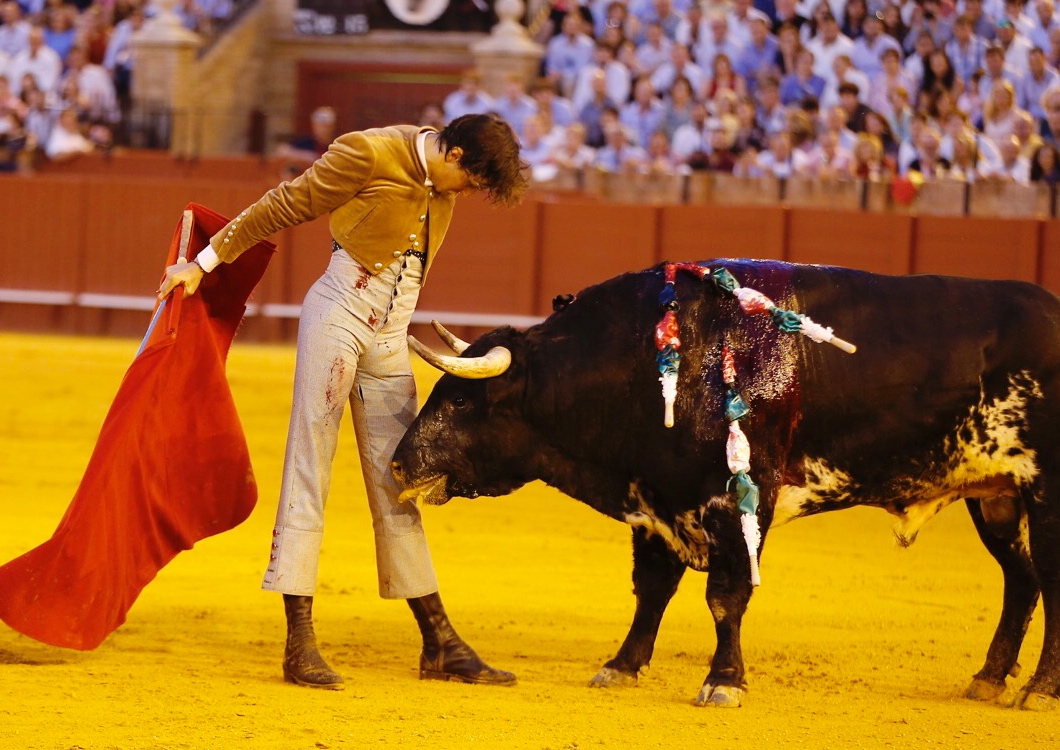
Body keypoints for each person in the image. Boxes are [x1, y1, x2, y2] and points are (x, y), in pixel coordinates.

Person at [156, 114, 529, 691]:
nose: (471, 193)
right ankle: (298, 645)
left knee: (399, 479)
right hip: (339, 317)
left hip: (390, 335)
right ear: (453, 154)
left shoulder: (442, 170)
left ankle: (439, 644)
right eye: (473, 181)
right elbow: (285, 203)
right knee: (310, 468)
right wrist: (202, 265)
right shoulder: (368, 154)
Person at [274, 105, 338, 179]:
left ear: (333, 127)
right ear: (314, 125)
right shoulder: (305, 143)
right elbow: (281, 151)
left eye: (326, 126)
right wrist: (307, 156)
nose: (323, 129)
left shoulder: (336, 145)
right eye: (319, 125)